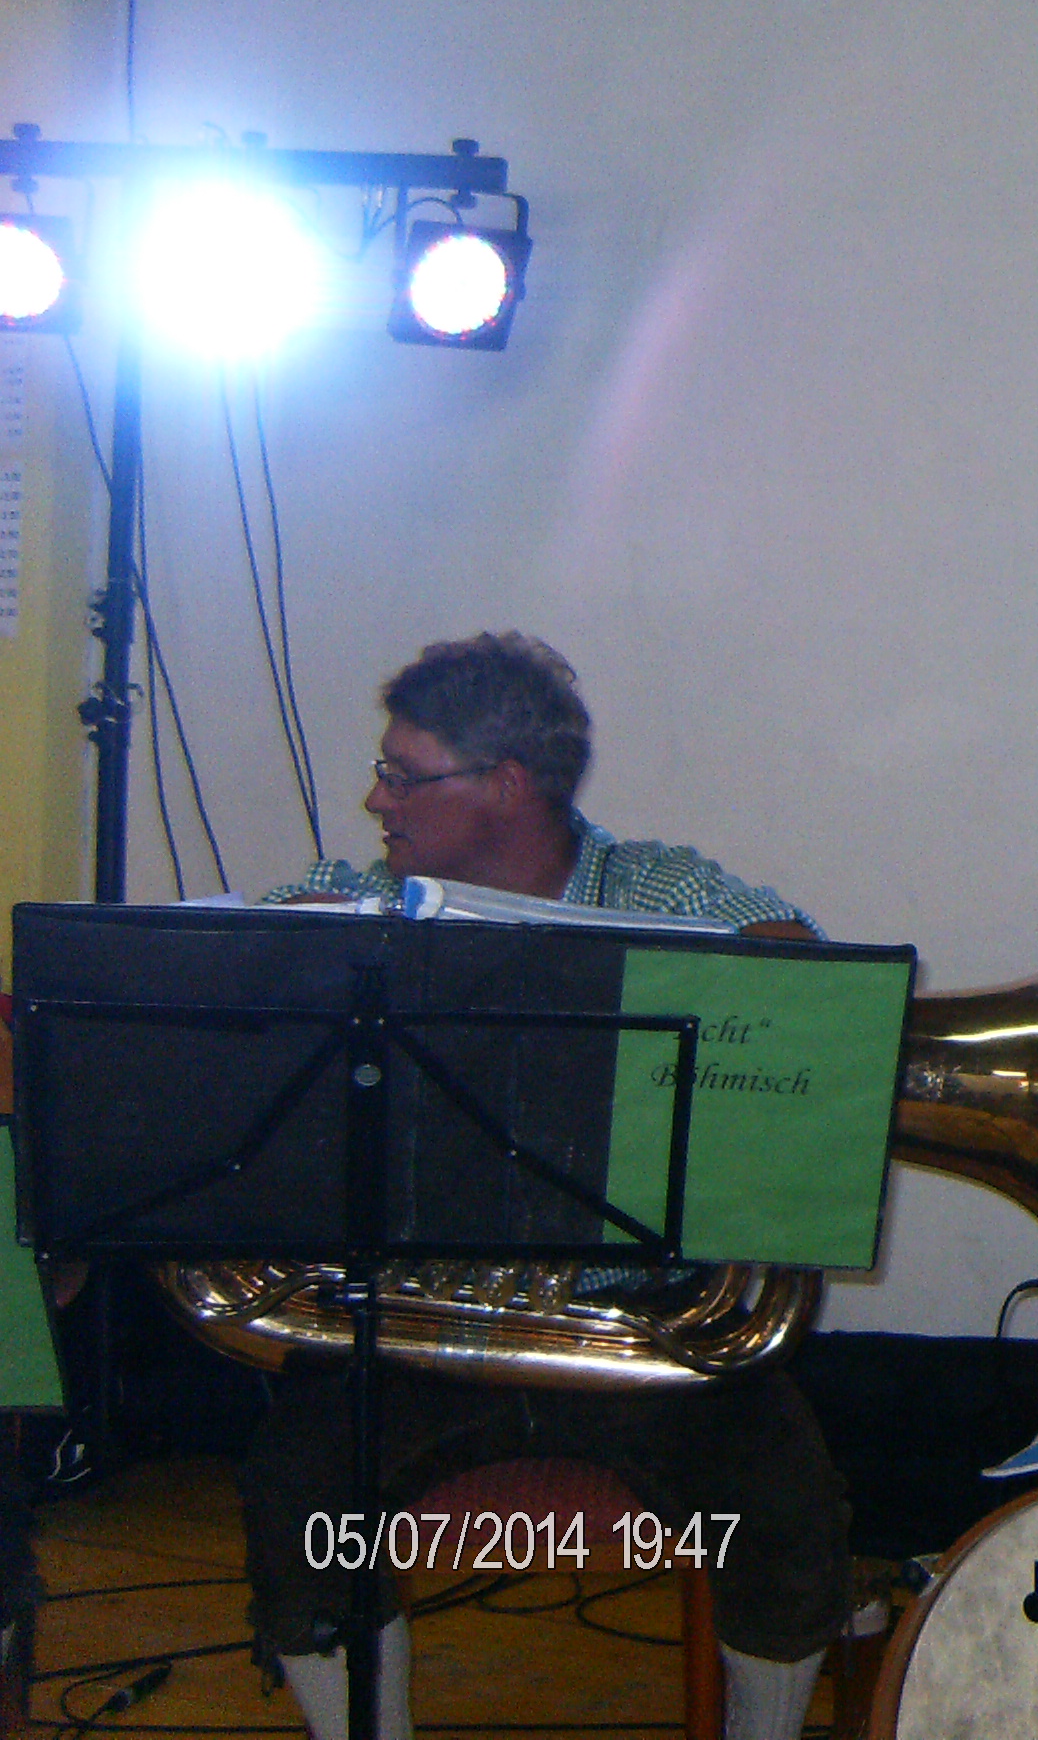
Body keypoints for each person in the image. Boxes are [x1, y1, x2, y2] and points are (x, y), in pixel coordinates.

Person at [244, 633, 846, 1740]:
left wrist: (763, 974)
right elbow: (237, 959)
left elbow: (804, 979)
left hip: (645, 1326)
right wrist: (274, 952)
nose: (376, 799)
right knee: (298, 1491)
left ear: (507, 786)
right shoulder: (361, 900)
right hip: (417, 1332)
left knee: (786, 1496)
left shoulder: (663, 888)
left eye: (403, 775)